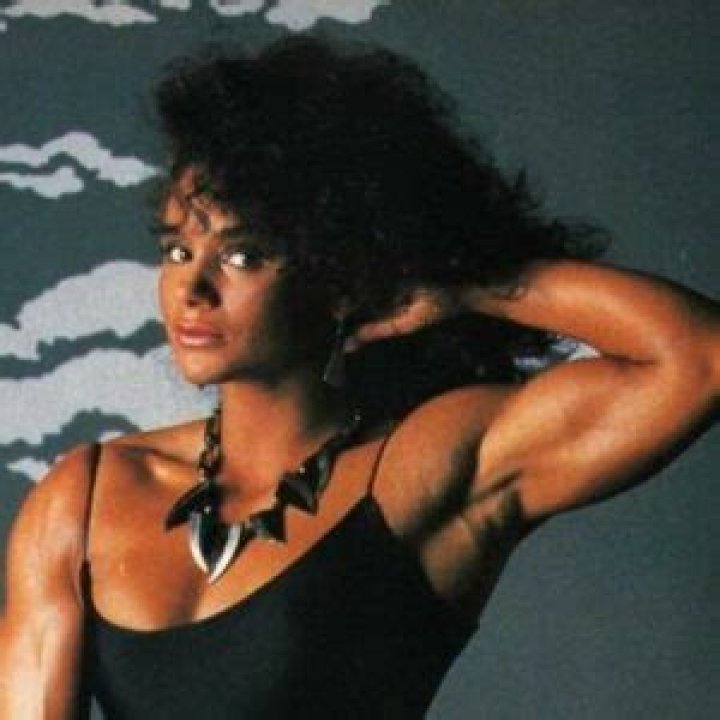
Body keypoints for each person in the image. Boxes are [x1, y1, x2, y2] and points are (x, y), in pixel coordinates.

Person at [0, 36, 718, 719]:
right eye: (178, 250)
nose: (193, 289)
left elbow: (701, 359)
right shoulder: (84, 497)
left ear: (341, 274)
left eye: (243, 256)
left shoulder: (422, 467)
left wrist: (468, 286)